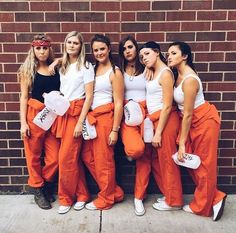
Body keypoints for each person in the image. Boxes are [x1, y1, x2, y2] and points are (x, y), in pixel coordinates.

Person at [167, 41, 227, 221]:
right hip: (192, 123)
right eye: (168, 53)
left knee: (204, 165)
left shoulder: (190, 80)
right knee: (192, 161)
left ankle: (202, 206)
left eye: (173, 53)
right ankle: (216, 197)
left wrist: (182, 142)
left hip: (204, 121)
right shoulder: (177, 75)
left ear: (184, 56)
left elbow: (187, 114)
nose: (169, 56)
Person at [52, 31, 94, 214]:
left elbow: (89, 96)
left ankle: (65, 198)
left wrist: (80, 122)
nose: (71, 45)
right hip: (63, 112)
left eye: (75, 43)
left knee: (66, 158)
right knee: (72, 159)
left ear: (80, 46)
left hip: (77, 114)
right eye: (69, 42)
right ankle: (83, 195)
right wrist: (56, 61)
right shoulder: (63, 65)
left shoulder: (85, 66)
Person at [81, 34, 124, 210]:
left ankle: (106, 199)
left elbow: (119, 102)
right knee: (87, 156)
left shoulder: (115, 72)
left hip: (106, 119)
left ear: (108, 49)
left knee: (104, 161)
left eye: (102, 49)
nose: (99, 53)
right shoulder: (92, 68)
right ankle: (115, 192)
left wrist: (115, 129)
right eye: (96, 50)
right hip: (92, 119)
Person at [139, 41, 183, 212]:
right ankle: (170, 195)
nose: (144, 58)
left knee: (168, 162)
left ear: (157, 52)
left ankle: (174, 202)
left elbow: (166, 105)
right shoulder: (154, 71)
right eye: (142, 56)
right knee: (162, 162)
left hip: (166, 122)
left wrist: (158, 133)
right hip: (157, 120)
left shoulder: (165, 73)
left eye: (147, 54)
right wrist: (148, 67)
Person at [18, 34, 60, 210]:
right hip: (34, 117)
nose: (42, 51)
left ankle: (42, 183)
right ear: (33, 49)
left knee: (55, 157)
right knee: (33, 156)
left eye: (45, 48)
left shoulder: (55, 69)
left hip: (52, 117)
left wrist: (57, 62)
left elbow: (72, 56)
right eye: (38, 48)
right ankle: (38, 188)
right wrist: (23, 123)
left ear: (49, 49)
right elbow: (23, 97)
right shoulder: (28, 71)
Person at [118, 35, 152, 216]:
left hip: (145, 115)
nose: (127, 51)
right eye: (124, 48)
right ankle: (129, 150)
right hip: (128, 116)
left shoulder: (147, 68)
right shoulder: (118, 71)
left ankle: (139, 197)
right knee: (136, 149)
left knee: (145, 157)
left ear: (136, 48)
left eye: (130, 47)